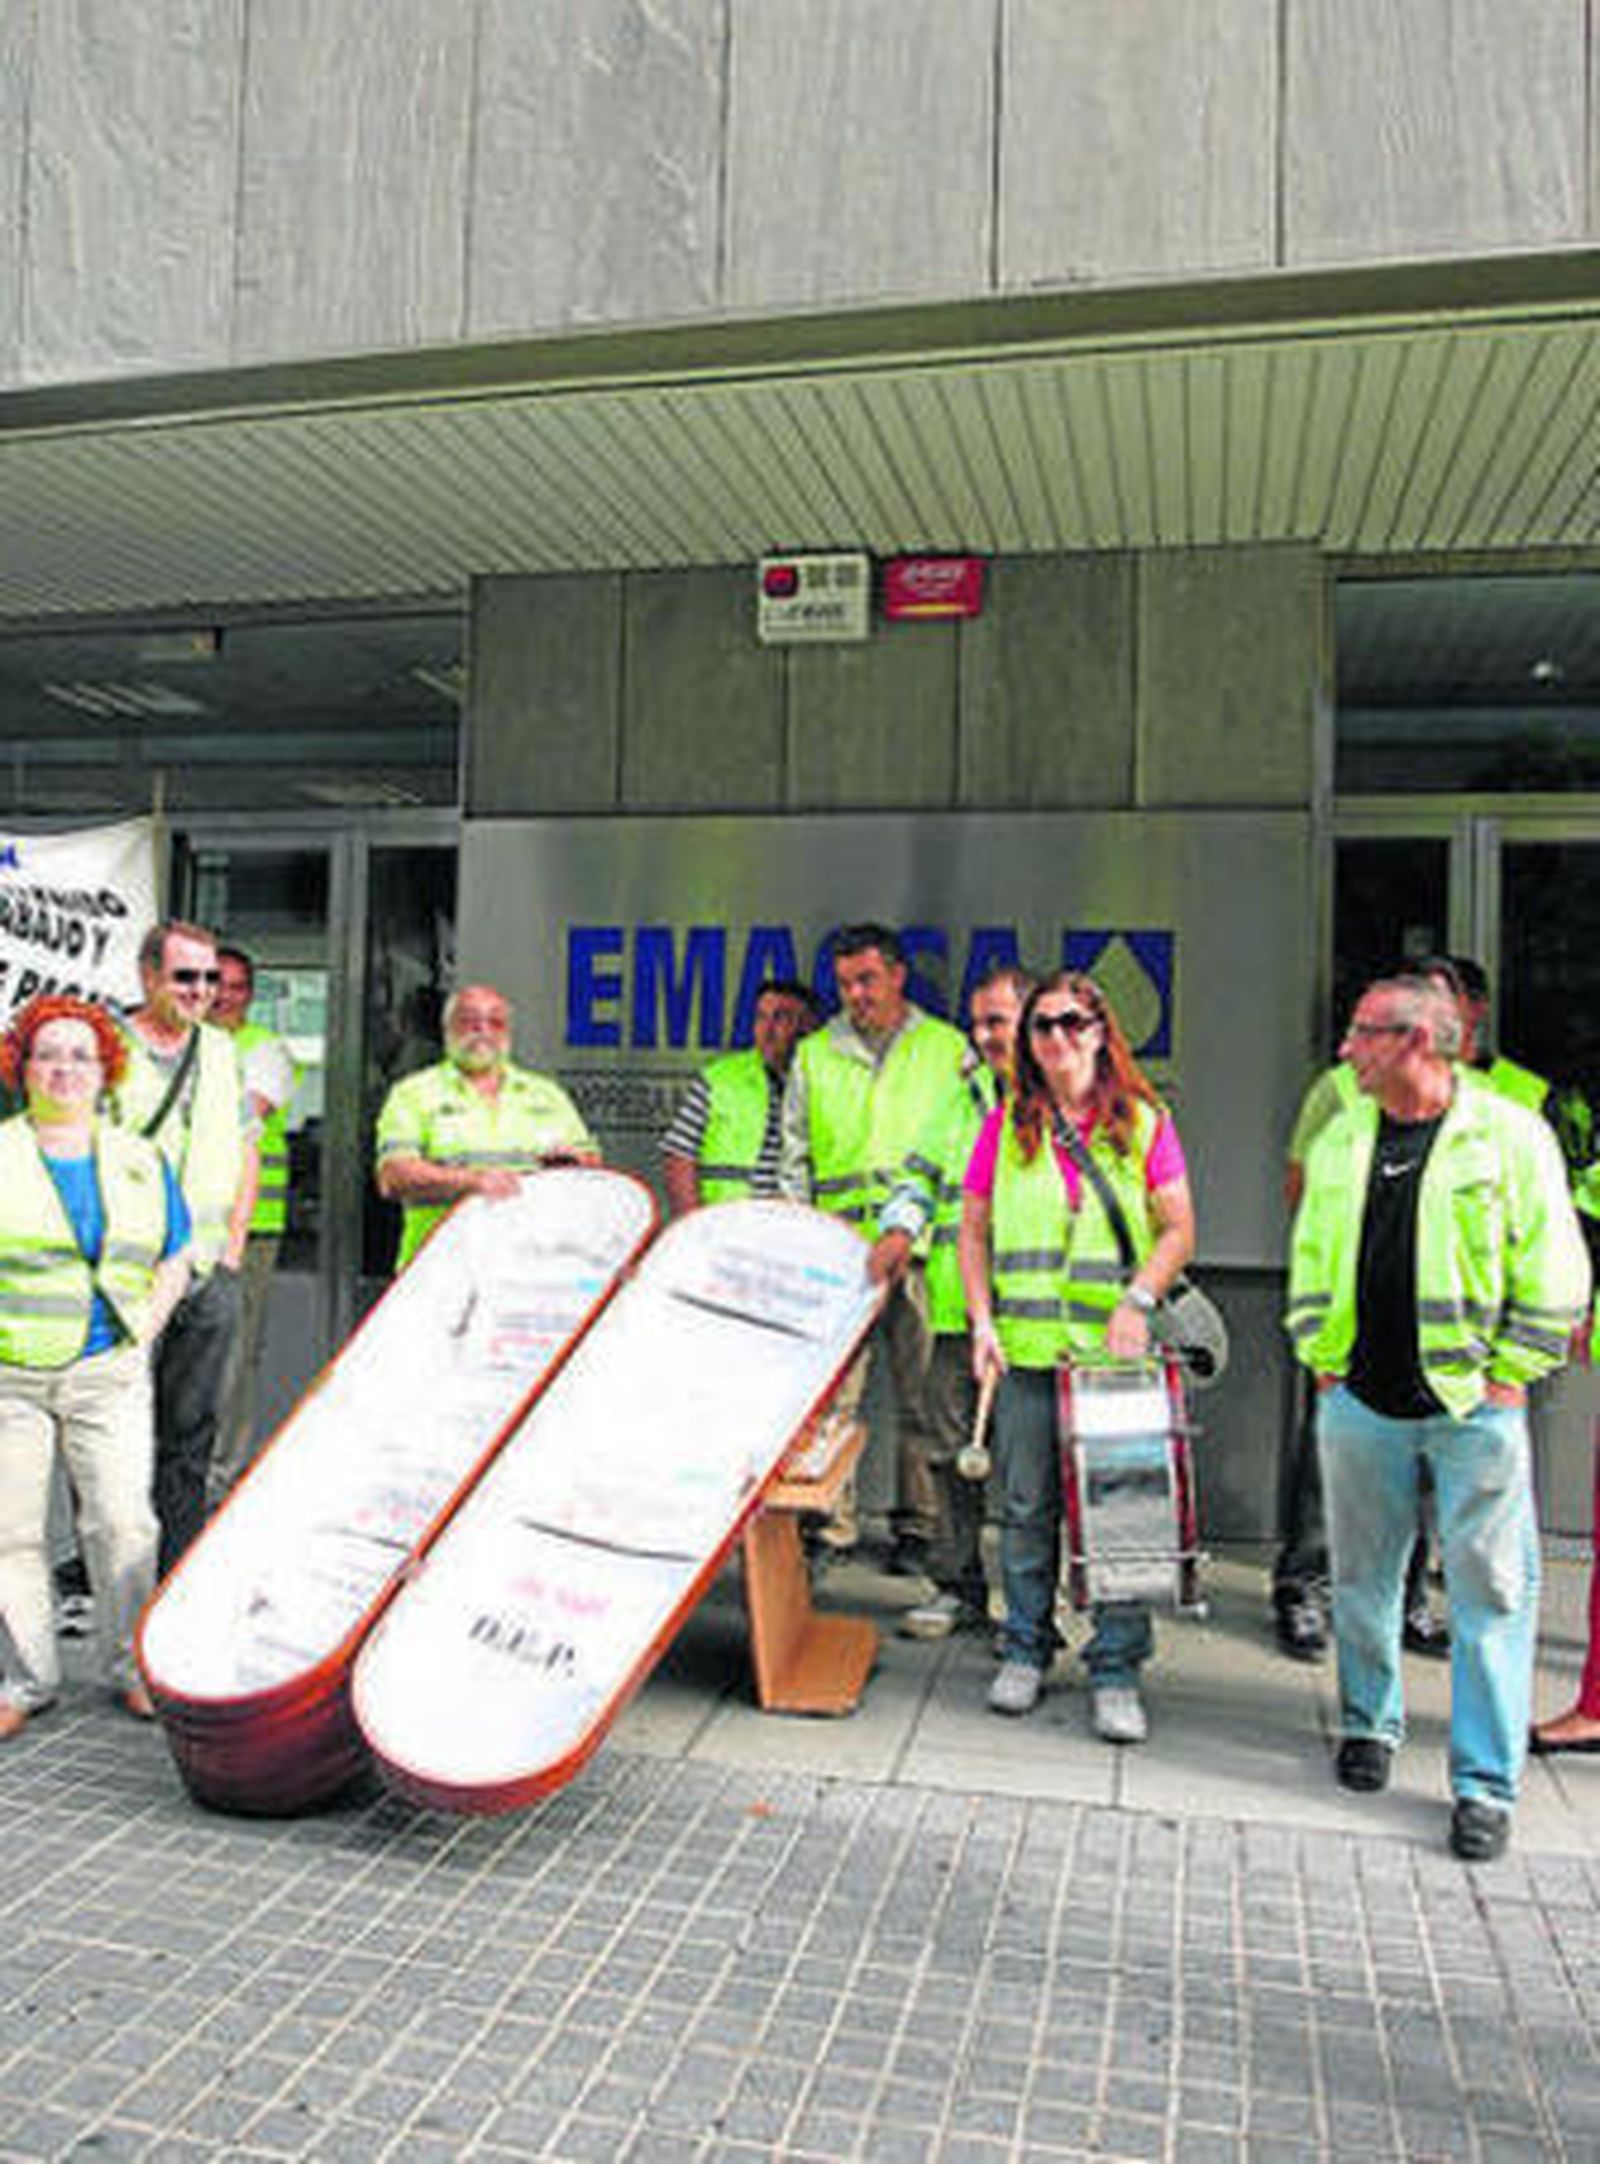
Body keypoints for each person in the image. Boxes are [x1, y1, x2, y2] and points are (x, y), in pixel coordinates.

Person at [1287, 973, 1589, 1861]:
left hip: (1473, 1411)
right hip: (1360, 1402)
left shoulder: (1510, 1136)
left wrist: (1513, 1373)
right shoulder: (1346, 1134)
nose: (1347, 1049)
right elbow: (1312, 1254)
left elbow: (1555, 1268)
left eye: (1363, 1033)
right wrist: (1321, 1359)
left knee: (1491, 1594)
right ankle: (1368, 1724)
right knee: (1362, 1578)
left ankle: (1484, 1785)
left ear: (1417, 1041)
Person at [958, 971, 1196, 1744]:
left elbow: (1179, 1229)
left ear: (1101, 1032)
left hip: (1112, 1361)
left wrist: (1138, 1301)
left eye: (1073, 1023)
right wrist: (982, 1321)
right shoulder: (1003, 1126)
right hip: (1028, 1353)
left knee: (1120, 1517)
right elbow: (972, 1232)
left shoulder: (1144, 1122)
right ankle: (1026, 1647)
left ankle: (1117, 1668)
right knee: (1026, 1514)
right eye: (1042, 1025)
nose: (1057, 1037)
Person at [0, 996, 191, 1739]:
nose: (65, 1068)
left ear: (105, 1068)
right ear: (22, 1067)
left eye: (82, 1055)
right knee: (11, 1533)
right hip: (10, 1374)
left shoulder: (139, 1158)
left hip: (109, 1369)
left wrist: (146, 1332)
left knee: (123, 1523)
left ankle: (132, 1667)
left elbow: (175, 1253)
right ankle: (24, 1681)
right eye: (48, 1053)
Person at [778, 925, 967, 1565]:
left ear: (897, 976)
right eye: (845, 983)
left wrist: (929, 1234)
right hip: (841, 1258)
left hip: (920, 1254)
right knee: (833, 1401)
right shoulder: (814, 1053)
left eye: (867, 980)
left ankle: (920, 1528)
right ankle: (829, 1526)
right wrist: (808, 1241)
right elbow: (795, 1159)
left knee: (925, 1400)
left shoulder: (947, 1048)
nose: (856, 994)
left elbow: (964, 1153)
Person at [871, 963, 1028, 1639]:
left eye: (998, 1021)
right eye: (978, 1023)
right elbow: (919, 1176)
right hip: (956, 1310)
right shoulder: (964, 1099)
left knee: (1028, 1472)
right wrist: (898, 1229)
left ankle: (1031, 1609)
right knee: (947, 1455)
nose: (984, 1035)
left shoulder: (1058, 1104)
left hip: (1033, 1324)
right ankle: (957, 1588)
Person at [112, 920, 251, 1578]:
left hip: (205, 1268)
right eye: (184, 976)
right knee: (116, 1434)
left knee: (191, 1433)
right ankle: (116, 1576)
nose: (201, 990)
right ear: (148, 977)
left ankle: (175, 1578)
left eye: (210, 978)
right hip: (129, 1271)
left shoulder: (220, 1051)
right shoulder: (107, 1045)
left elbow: (246, 1148)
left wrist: (233, 1249)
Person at [375, 982, 598, 1272]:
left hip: (528, 1268)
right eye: (469, 1021)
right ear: (447, 1030)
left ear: (508, 1033)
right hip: (439, 1271)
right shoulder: (413, 1094)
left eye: (495, 1022)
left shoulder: (547, 1095)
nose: (483, 1031)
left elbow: (592, 1166)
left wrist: (575, 1166)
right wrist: (472, 1182)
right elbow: (393, 1177)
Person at [208, 945, 300, 1503]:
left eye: (237, 986)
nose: (224, 995)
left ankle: (220, 1478)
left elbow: (242, 1114)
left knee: (234, 1355)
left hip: (250, 1228)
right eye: (215, 982)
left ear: (251, 995)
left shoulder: (264, 1049)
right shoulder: (182, 1044)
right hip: (182, 1226)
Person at [661, 980, 821, 1212]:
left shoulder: (828, 1081)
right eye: (761, 1018)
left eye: (780, 1018)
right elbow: (679, 1156)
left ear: (808, 1027)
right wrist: (695, 1224)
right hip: (726, 1222)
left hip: (799, 1224)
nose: (767, 1030)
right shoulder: (720, 1078)